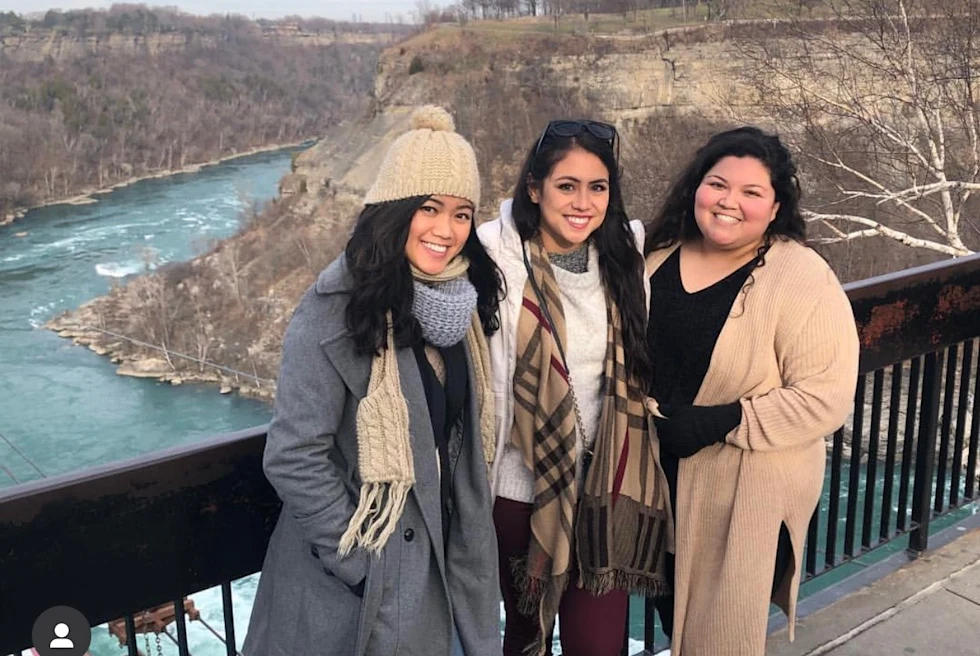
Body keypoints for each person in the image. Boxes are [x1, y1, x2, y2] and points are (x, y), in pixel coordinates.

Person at [243, 106, 504, 656]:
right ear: (393, 210)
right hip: (363, 587)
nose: (446, 230)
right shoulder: (335, 310)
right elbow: (293, 455)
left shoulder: (459, 305)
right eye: (429, 208)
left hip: (443, 569)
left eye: (461, 214)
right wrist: (361, 565)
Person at [644, 126, 859, 656]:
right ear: (696, 187)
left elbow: (827, 396)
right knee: (673, 618)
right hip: (652, 480)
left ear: (776, 205)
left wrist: (722, 421)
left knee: (720, 635)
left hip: (742, 492)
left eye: (751, 192)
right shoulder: (656, 255)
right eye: (718, 185)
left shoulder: (800, 276)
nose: (729, 202)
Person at [479, 119, 671, 656]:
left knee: (599, 644)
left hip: (605, 485)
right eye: (567, 186)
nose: (583, 203)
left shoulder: (623, 259)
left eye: (597, 187)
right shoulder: (495, 262)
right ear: (534, 188)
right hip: (522, 488)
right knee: (526, 639)